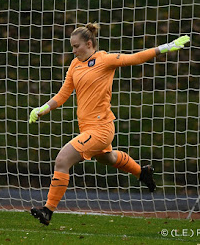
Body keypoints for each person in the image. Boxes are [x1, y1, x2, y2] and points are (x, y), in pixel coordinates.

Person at [28, 23, 190, 226]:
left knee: (62, 160)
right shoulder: (74, 65)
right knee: (108, 158)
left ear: (89, 43)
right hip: (88, 129)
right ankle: (142, 172)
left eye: (76, 46)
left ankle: (48, 210)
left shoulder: (104, 60)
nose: (73, 50)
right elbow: (63, 94)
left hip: (101, 129)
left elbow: (135, 58)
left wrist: (166, 47)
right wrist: (42, 108)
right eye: (72, 46)